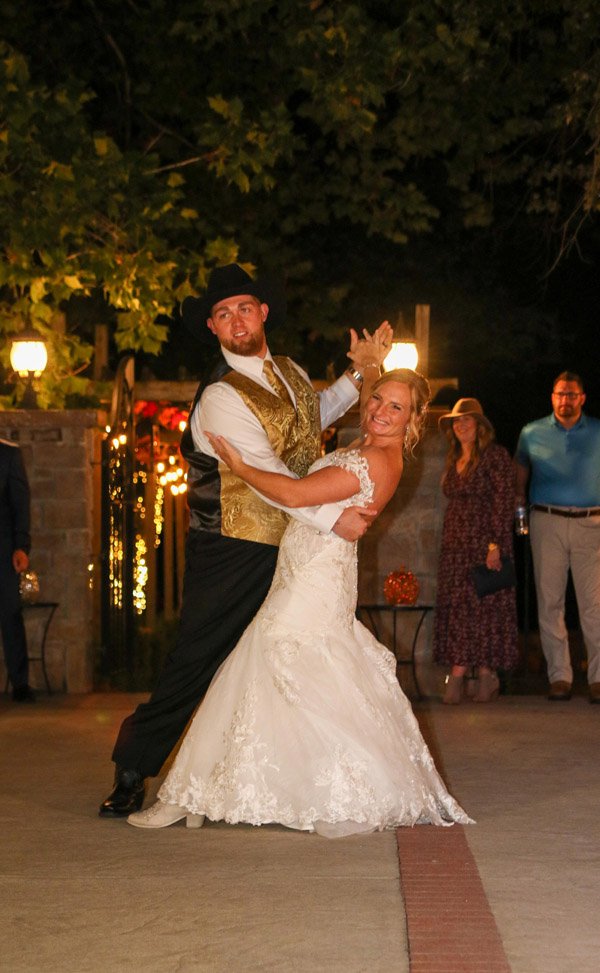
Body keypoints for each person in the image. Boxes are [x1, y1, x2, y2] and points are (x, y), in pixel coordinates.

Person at [99, 263, 391, 817]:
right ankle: (133, 765)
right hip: (235, 546)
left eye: (244, 308)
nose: (236, 320)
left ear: (263, 312)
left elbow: (311, 417)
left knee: (290, 654)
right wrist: (335, 520)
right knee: (199, 658)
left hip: (296, 543)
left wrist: (357, 378)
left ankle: (291, 779)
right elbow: (265, 473)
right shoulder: (219, 397)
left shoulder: (287, 369)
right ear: (212, 327)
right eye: (223, 313)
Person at [127, 369, 471, 834]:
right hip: (309, 567)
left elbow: (291, 492)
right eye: (377, 400)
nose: (381, 411)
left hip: (314, 576)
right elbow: (308, 493)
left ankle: (190, 794)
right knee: (281, 668)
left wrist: (240, 465)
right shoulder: (364, 452)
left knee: (260, 662)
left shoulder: (374, 460)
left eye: (396, 407)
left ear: (412, 420)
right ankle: (203, 791)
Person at [515, 372, 600, 703]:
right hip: (546, 519)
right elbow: (520, 471)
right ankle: (559, 677)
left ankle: (597, 678)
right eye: (560, 394)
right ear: (552, 397)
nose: (565, 400)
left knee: (594, 605)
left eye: (571, 395)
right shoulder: (532, 432)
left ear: (582, 398)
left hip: (590, 522)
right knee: (549, 601)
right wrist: (518, 505)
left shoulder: (596, 431)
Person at [433, 399, 518, 704]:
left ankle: (472, 676)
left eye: (468, 420)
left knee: (485, 607)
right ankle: (473, 675)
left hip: (484, 541)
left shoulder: (495, 457)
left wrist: (494, 545)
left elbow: (503, 500)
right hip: (456, 544)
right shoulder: (454, 458)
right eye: (457, 422)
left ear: (480, 426)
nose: (461, 425)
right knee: (460, 608)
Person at [0, 438, 35, 703]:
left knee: (10, 614)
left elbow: (20, 503)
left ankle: (20, 683)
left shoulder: (8, 455)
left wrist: (21, 546)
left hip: (3, 550)